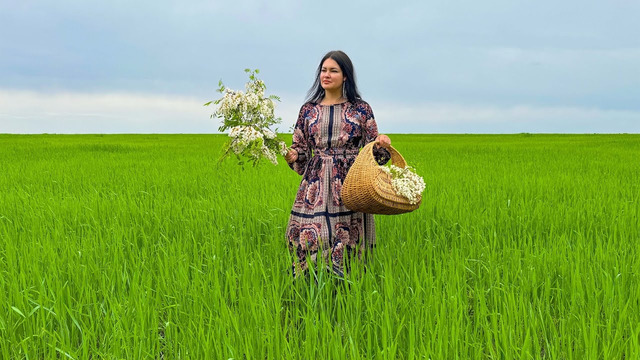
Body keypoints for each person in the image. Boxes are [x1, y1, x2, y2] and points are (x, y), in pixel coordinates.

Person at [285, 50, 391, 277]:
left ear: (345, 76)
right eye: (324, 70)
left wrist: (382, 145)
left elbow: (374, 154)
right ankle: (311, 283)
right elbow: (301, 151)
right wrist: (292, 155)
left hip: (351, 185)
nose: (327, 75)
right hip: (316, 186)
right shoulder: (308, 110)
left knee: (348, 236)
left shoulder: (361, 109)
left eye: (333, 70)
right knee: (315, 234)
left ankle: (347, 288)